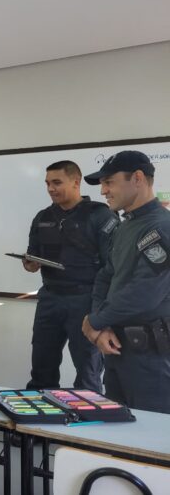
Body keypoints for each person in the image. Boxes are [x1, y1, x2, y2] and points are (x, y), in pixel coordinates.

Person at [81, 150, 170, 413]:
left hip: (151, 356)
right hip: (118, 347)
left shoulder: (160, 227)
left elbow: (144, 294)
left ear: (138, 178)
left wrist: (94, 321)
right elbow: (106, 275)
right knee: (118, 431)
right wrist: (99, 323)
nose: (103, 191)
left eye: (109, 182)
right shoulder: (125, 226)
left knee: (150, 439)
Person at [23, 160, 117, 392]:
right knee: (41, 369)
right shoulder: (43, 217)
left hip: (86, 300)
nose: (51, 189)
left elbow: (113, 266)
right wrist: (30, 263)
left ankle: (87, 425)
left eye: (57, 182)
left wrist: (103, 312)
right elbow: (32, 259)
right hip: (50, 299)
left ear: (76, 182)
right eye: (47, 183)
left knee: (88, 373)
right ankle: (38, 425)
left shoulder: (100, 215)